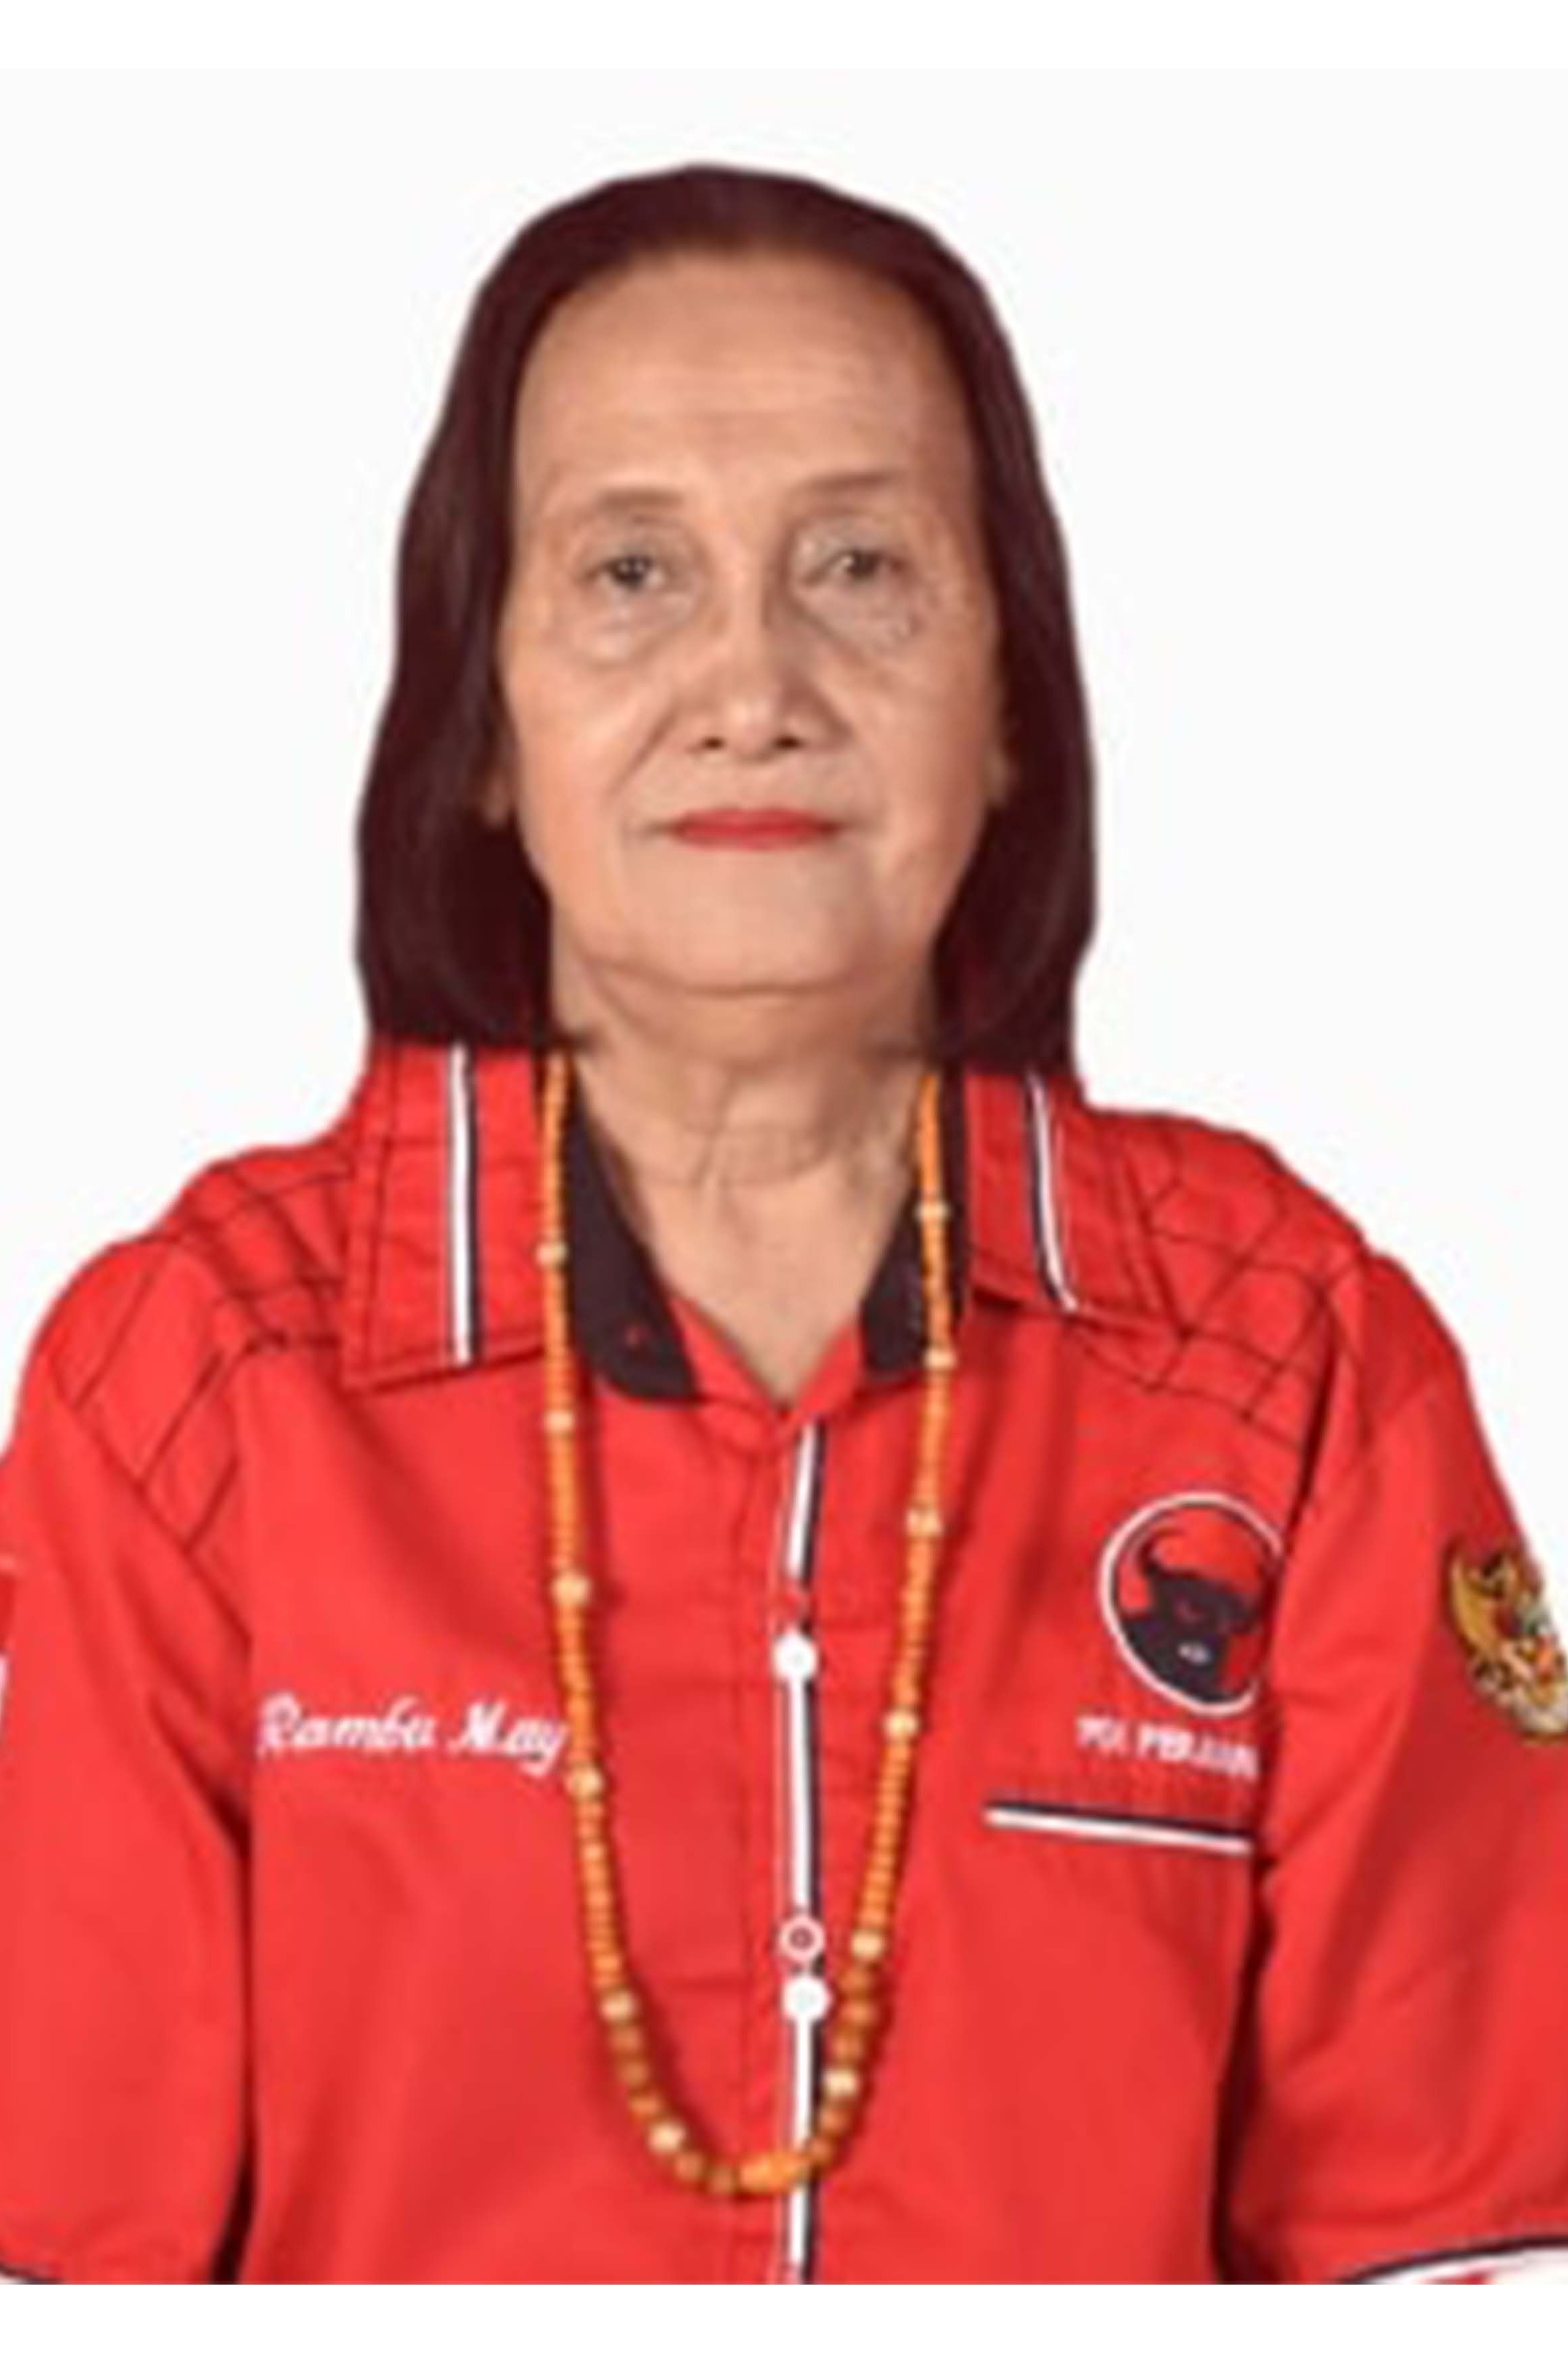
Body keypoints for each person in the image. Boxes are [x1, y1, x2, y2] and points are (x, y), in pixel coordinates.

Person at [1, 160, 1566, 2289]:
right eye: (631, 570)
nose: (753, 684)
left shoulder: (1291, 1363)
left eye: (859, 566)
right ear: (483, 719)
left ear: (1006, 704)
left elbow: (1462, 2264)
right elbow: (54, 2272)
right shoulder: (194, 1385)